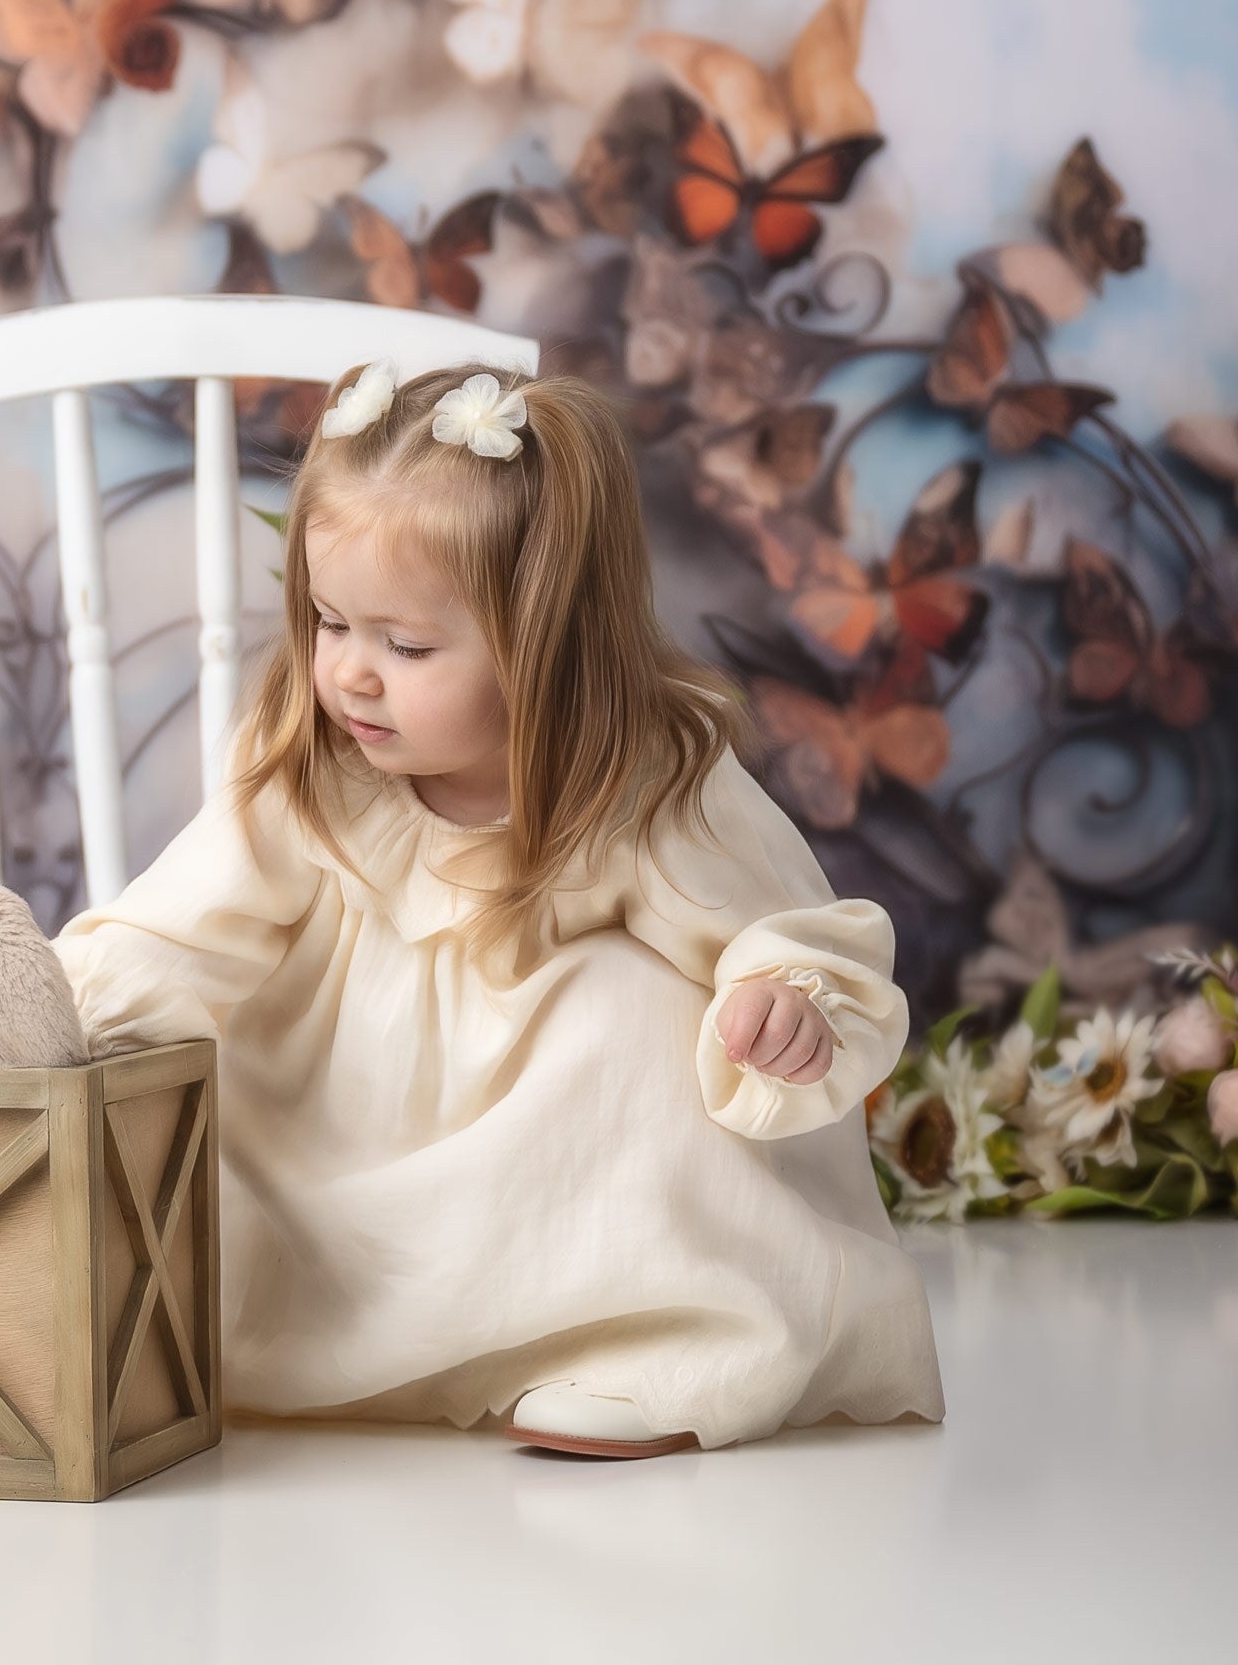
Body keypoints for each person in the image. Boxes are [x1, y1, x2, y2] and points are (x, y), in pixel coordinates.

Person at [51, 358, 946, 1458]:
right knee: (200, 1077)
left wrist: (781, 998)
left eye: (406, 645)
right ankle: (316, 1337)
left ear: (545, 635)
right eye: (329, 622)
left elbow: (776, 926)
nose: (349, 675)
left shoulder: (641, 772)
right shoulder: (310, 768)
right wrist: (63, 1017)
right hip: (333, 1157)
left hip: (550, 1187)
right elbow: (179, 932)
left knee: (632, 1005)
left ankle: (661, 1343)